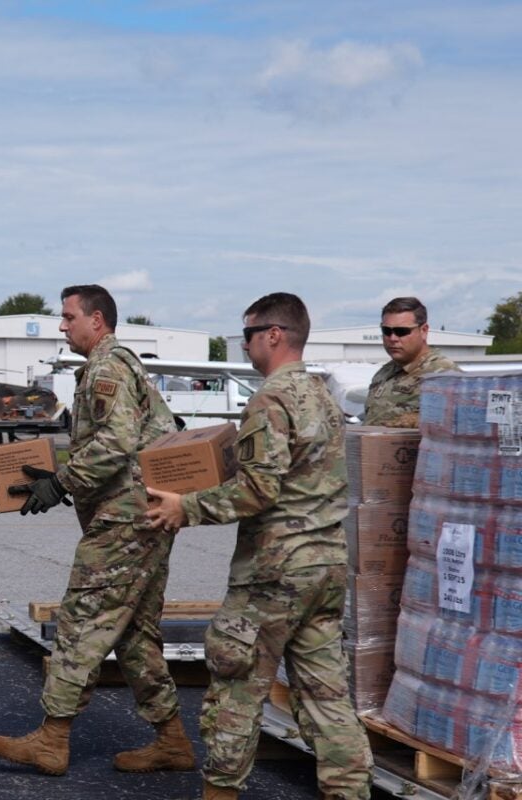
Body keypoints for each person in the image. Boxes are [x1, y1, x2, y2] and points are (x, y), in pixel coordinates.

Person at [145, 292, 373, 800]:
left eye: (247, 334)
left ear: (274, 334)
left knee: (236, 686)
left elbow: (258, 489)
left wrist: (187, 507)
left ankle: (221, 791)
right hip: (325, 567)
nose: (244, 344)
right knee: (326, 698)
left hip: (274, 573)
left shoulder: (270, 399)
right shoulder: (322, 396)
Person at [0, 284, 192, 777]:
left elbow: (117, 442)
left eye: (68, 316)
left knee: (81, 621)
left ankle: (52, 739)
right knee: (136, 636)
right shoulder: (108, 367)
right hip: (140, 516)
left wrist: (61, 483)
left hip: (125, 521)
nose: (62, 325)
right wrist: (56, 478)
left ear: (96, 320)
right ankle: (173, 741)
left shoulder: (108, 366)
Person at [364, 296, 459, 427]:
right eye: (386, 331)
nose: (393, 338)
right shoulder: (384, 373)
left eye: (401, 331)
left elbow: (453, 425)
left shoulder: (442, 374)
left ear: (423, 331)